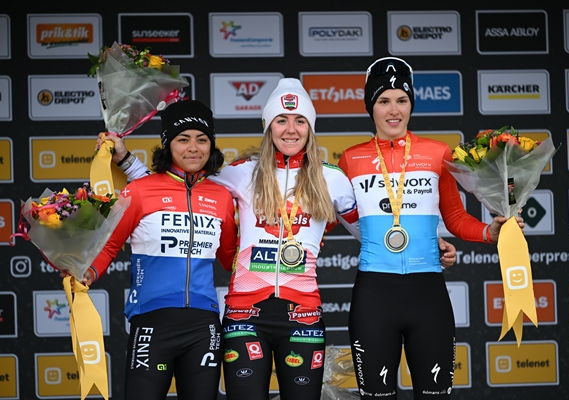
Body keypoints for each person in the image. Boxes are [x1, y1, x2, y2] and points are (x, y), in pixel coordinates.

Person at [110, 78, 457, 400]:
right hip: (245, 313)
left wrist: (430, 242)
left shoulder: (333, 179)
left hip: (302, 313)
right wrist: (126, 161)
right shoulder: (239, 172)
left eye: (300, 120)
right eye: (281, 120)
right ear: (268, 126)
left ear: (310, 127)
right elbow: (175, 187)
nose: (291, 129)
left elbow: (371, 230)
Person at [338, 57, 526, 399]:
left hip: (428, 295)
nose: (393, 110)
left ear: (411, 104)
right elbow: (334, 217)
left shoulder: (437, 153)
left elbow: (455, 217)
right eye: (383, 101)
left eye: (402, 100)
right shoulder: (350, 159)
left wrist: (490, 232)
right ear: (370, 106)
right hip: (374, 295)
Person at [68, 99, 239, 400]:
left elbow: (230, 259)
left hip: (204, 324)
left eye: (202, 139)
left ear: (211, 145)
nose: (194, 148)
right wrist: (89, 272)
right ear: (167, 144)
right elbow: (110, 244)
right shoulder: (140, 190)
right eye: (183, 139)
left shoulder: (221, 196)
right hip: (152, 319)